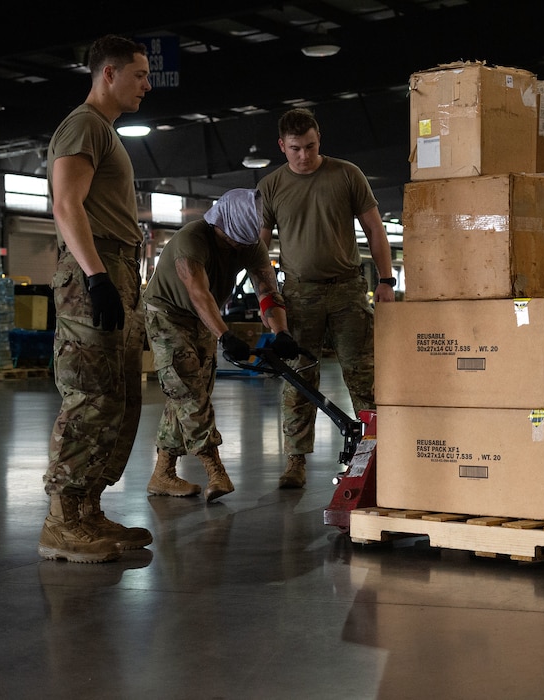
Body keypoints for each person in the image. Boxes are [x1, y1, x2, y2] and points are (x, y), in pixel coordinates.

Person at [39, 35, 153, 564]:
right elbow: (67, 204)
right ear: (109, 74)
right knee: (90, 395)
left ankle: (85, 511)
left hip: (115, 267)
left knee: (117, 394)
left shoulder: (103, 132)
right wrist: (97, 277)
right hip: (95, 272)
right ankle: (62, 522)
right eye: (139, 75)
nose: (147, 86)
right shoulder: (84, 126)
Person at [258, 107, 395, 489]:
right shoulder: (270, 186)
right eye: (297, 148)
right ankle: (295, 461)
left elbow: (374, 229)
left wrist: (386, 280)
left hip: (348, 288)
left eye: (312, 146)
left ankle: (378, 454)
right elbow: (259, 247)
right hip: (298, 294)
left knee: (363, 374)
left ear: (320, 140)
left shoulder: (346, 174)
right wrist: (266, 296)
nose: (305, 156)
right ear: (282, 146)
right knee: (299, 378)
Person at [142, 188, 299, 502]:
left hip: (204, 316)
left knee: (191, 392)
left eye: (245, 243)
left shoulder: (251, 244)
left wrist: (280, 331)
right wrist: (225, 336)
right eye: (233, 242)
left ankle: (163, 473)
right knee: (188, 393)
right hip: (168, 314)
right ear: (221, 227)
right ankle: (215, 470)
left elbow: (267, 289)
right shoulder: (192, 241)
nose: (239, 247)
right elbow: (198, 294)